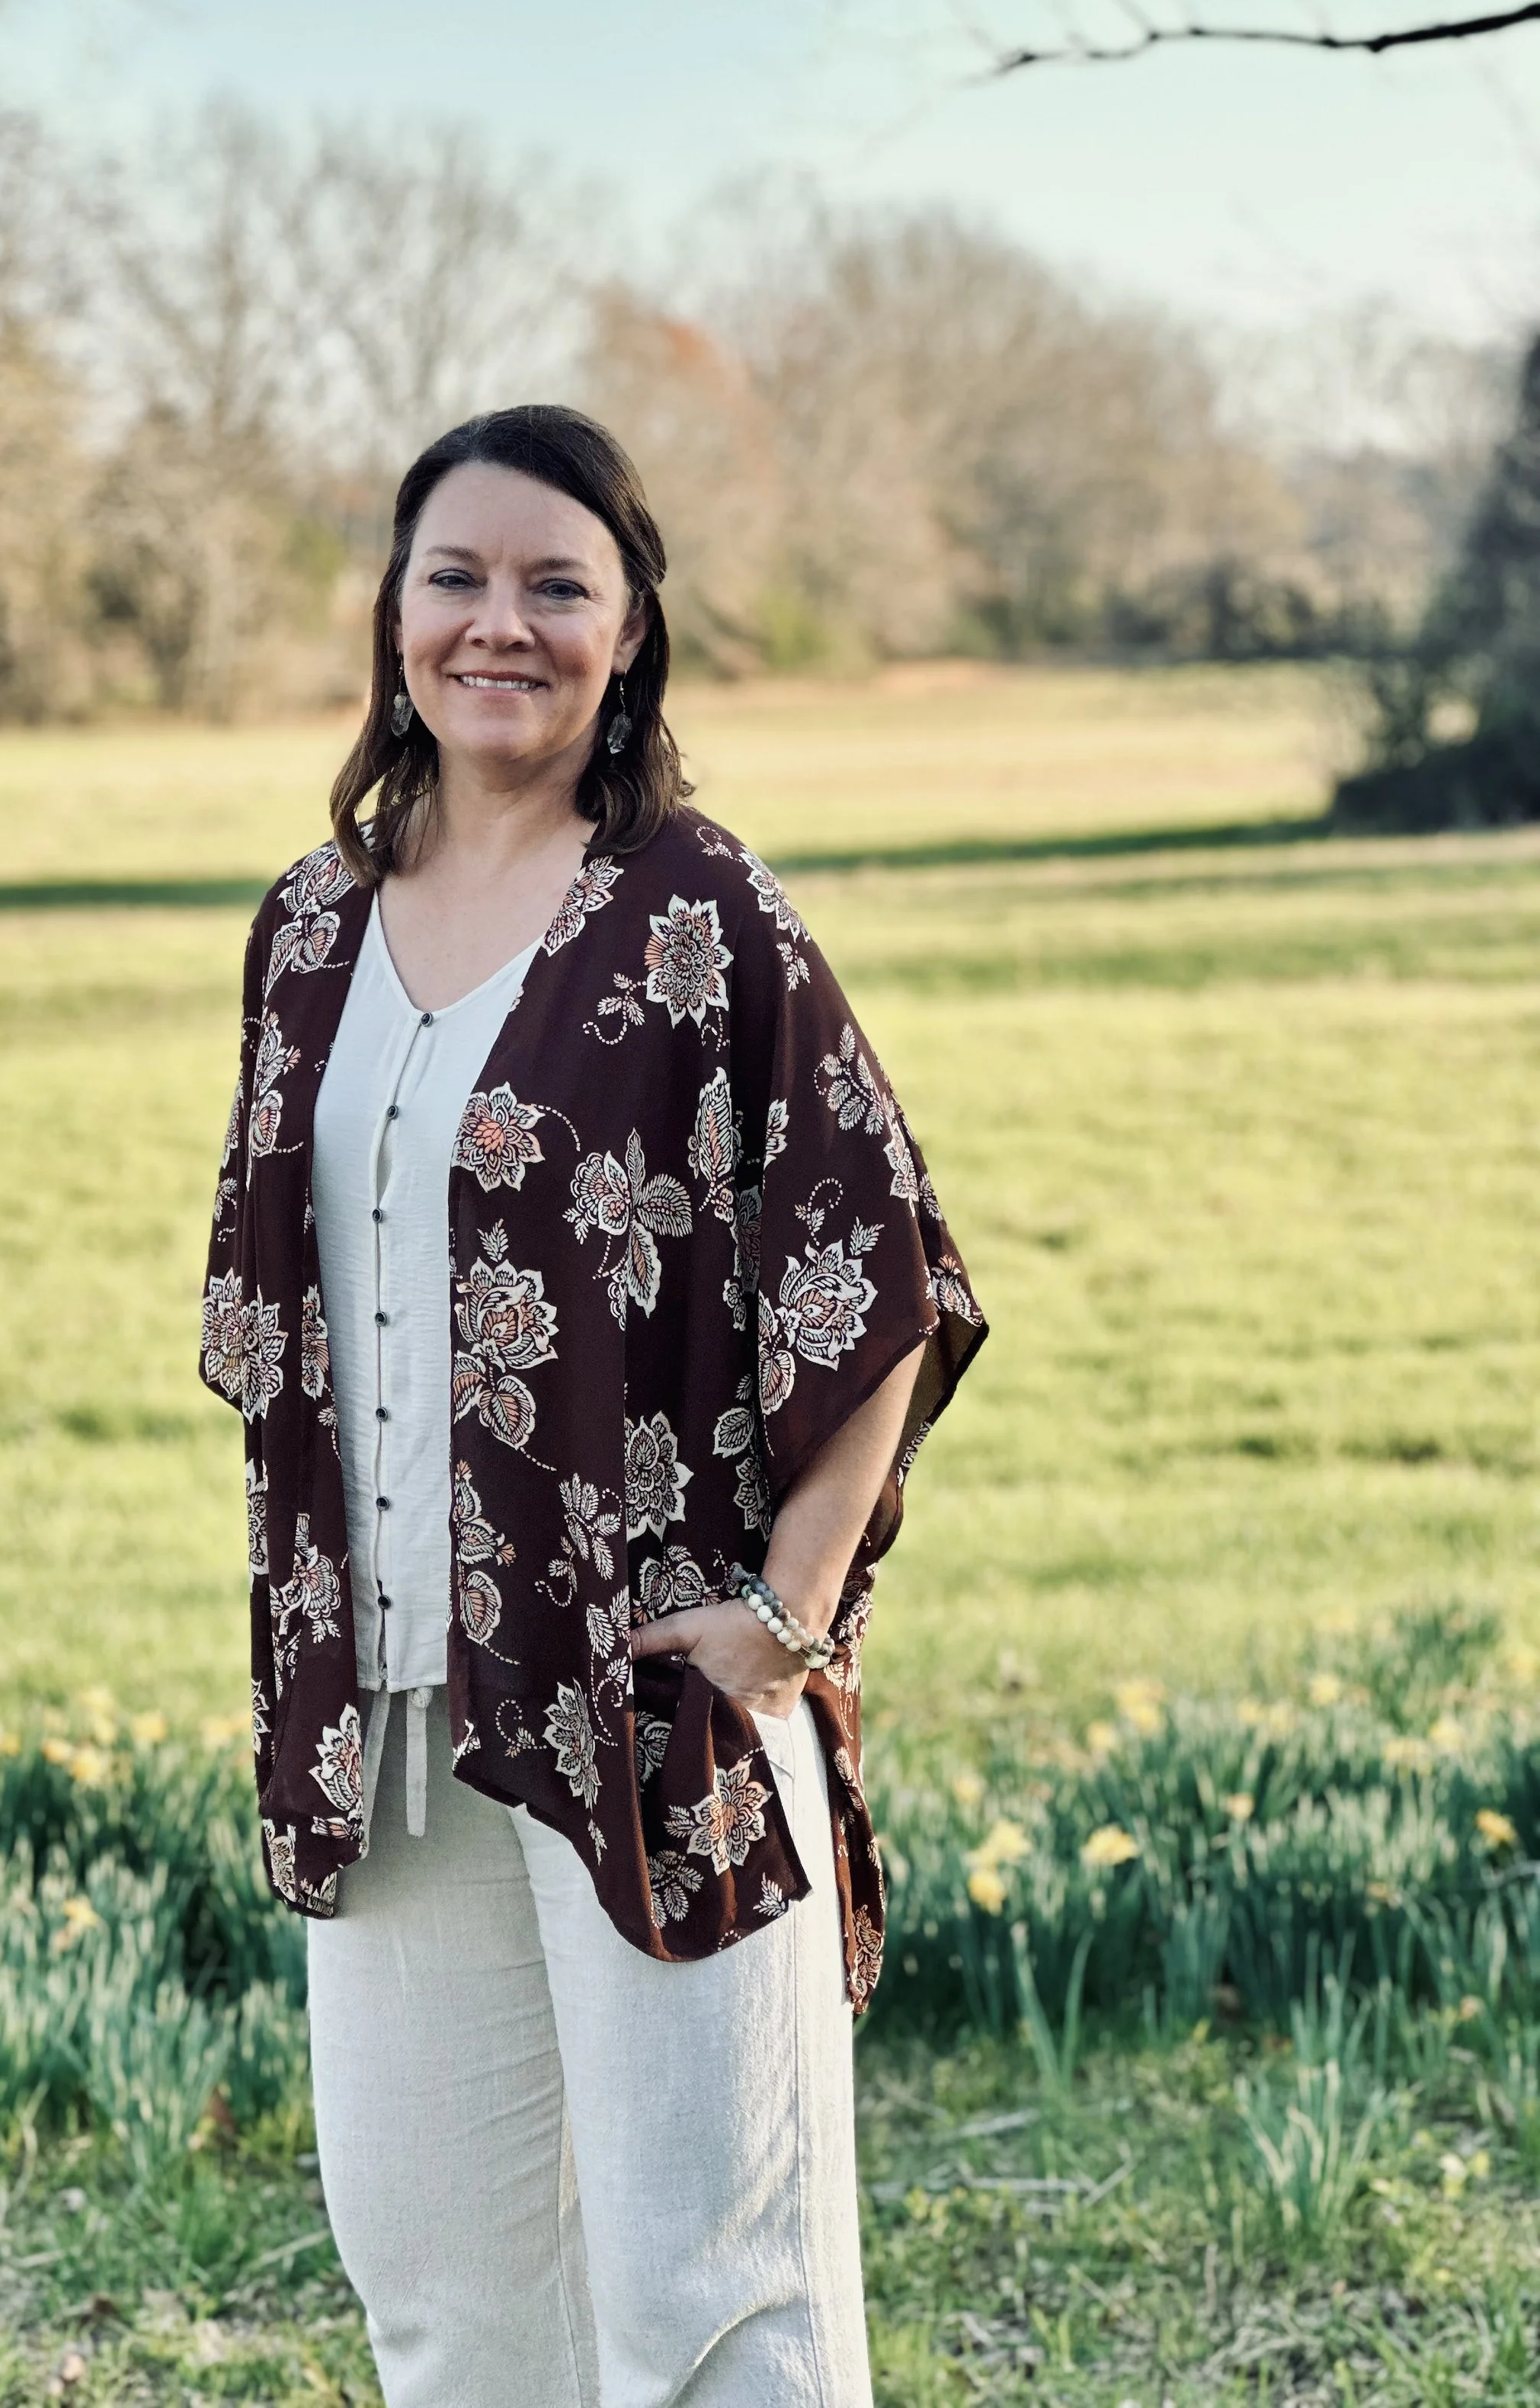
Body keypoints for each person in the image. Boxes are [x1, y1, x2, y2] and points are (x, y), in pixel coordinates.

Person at [200, 404, 985, 2407]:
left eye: (559, 584)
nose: (501, 623)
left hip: (653, 1696)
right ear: (389, 614)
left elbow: (876, 1261)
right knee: (451, 2306)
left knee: (711, 2300)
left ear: (628, 633)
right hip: (383, 1708)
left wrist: (787, 1617)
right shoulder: (308, 929)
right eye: (456, 575)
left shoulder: (694, 911)